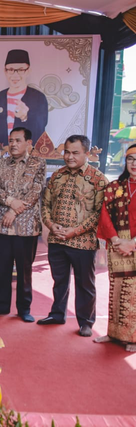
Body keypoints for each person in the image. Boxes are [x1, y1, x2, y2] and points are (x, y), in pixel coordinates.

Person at [38, 135, 108, 337]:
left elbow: (99, 213)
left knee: (84, 283)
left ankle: (86, 322)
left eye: (75, 153)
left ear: (86, 154)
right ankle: (57, 313)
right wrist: (51, 225)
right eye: (67, 152)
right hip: (57, 239)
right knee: (59, 280)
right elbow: (46, 205)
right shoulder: (57, 176)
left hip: (83, 241)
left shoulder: (98, 179)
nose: (69, 156)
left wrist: (74, 231)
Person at [0, 127, 46, 323]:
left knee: (24, 270)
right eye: (11, 140)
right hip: (3, 225)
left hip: (26, 226)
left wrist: (14, 210)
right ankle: (2, 305)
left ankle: (24, 308)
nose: (13, 144)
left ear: (28, 143)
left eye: (18, 140)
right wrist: (10, 203)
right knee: (3, 268)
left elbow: (35, 191)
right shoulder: (0, 165)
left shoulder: (38, 163)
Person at [96, 143, 136, 352]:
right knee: (116, 291)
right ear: (125, 161)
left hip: (134, 245)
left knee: (134, 294)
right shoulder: (115, 187)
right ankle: (114, 333)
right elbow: (104, 215)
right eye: (131, 158)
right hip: (117, 245)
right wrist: (115, 239)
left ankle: (133, 337)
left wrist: (132, 244)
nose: (134, 163)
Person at [0, 49, 48, 147]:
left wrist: (25, 117)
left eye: (21, 70)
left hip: (27, 157)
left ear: (28, 71)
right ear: (5, 71)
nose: (15, 75)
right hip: (2, 157)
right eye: (10, 70)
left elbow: (40, 131)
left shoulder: (38, 98)